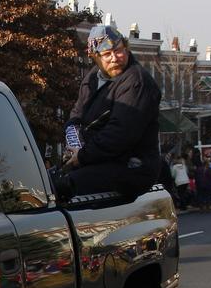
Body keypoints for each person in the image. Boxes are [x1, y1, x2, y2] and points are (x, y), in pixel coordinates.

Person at [56, 25, 162, 200]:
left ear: (126, 48)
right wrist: (73, 141)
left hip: (130, 167)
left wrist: (81, 157)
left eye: (118, 51)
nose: (115, 58)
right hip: (96, 159)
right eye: (106, 55)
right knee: (45, 184)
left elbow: (120, 134)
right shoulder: (91, 79)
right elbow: (76, 115)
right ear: (94, 57)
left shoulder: (136, 82)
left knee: (66, 187)